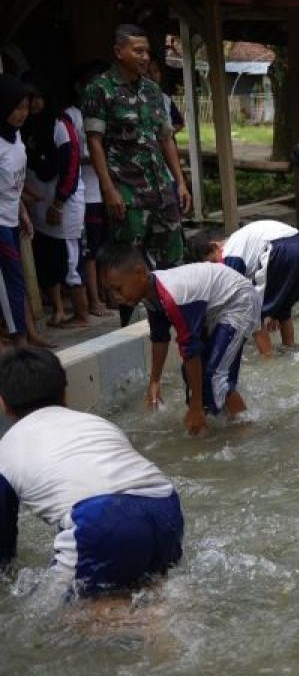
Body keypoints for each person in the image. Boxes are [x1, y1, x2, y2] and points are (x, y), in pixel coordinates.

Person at [0, 346, 184, 595]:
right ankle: (170, 604)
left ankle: (151, 619)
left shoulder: (6, 450)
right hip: (164, 504)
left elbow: (3, 542)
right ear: (64, 394)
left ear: (4, 404)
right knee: (144, 585)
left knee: (56, 618)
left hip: (98, 520)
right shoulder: (98, 424)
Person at [82, 25, 192, 326]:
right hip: (127, 189)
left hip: (160, 187)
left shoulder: (152, 91)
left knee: (172, 254)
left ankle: (172, 314)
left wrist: (180, 182)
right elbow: (95, 142)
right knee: (129, 260)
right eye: (137, 51)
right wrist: (109, 190)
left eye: (146, 51)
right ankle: (128, 324)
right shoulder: (99, 90)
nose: (145, 56)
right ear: (119, 51)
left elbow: (166, 138)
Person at [99, 243, 258, 436]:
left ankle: (247, 431)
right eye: (111, 291)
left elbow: (192, 350)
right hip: (217, 308)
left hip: (238, 301)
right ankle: (215, 422)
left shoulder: (173, 296)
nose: (116, 298)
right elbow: (159, 339)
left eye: (118, 288)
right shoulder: (150, 295)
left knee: (213, 376)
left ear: (140, 272)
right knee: (192, 374)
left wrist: (196, 407)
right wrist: (154, 381)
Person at [199, 219, 299, 357]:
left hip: (279, 248)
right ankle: (291, 351)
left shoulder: (230, 256)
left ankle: (270, 362)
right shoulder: (240, 242)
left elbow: (233, 303)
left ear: (216, 246)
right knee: (284, 309)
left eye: (213, 263)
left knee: (253, 314)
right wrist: (272, 310)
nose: (215, 270)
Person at [35, 86, 90, 328]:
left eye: (35, 98)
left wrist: (58, 204)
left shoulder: (61, 125)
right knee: (50, 256)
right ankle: (58, 310)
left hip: (64, 203)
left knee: (71, 259)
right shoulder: (30, 127)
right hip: (40, 200)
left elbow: (70, 168)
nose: (31, 105)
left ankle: (81, 314)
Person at [73, 62, 113, 318]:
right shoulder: (73, 116)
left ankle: (111, 294)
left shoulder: (109, 113)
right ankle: (93, 300)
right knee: (89, 251)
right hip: (86, 192)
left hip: (105, 192)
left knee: (105, 246)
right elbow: (73, 156)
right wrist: (102, 157)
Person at [0, 74, 33, 345]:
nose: (22, 113)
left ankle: (21, 337)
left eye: (25, 107)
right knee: (12, 281)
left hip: (11, 217)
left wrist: (22, 211)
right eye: (16, 107)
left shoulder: (16, 135)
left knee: (14, 281)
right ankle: (19, 341)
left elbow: (14, 182)